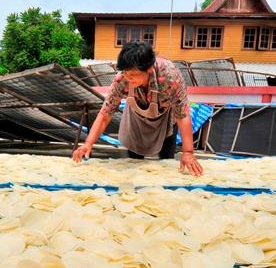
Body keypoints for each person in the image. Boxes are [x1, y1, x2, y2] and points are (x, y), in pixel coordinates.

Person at [72, 42, 204, 176]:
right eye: (125, 72)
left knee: (166, 166)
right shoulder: (122, 79)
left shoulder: (170, 77)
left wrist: (188, 152)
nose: (128, 77)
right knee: (133, 167)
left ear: (149, 69)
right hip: (136, 121)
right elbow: (105, 113)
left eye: (133, 74)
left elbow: (183, 115)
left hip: (165, 120)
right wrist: (88, 144)